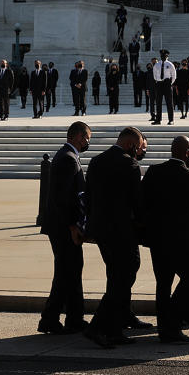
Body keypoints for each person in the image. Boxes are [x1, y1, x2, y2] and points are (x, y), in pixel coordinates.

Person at [84, 127, 147, 349]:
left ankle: (114, 328)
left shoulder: (97, 160)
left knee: (115, 275)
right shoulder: (129, 164)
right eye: (139, 147)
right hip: (121, 229)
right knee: (125, 275)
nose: (140, 151)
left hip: (100, 229)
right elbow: (136, 201)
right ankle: (98, 326)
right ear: (131, 144)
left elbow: (88, 195)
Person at [142, 135, 189, 343]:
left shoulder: (154, 171)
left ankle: (164, 327)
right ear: (188, 153)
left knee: (163, 283)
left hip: (157, 236)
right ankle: (172, 322)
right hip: (180, 235)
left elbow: (143, 201)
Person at [39, 121, 91, 336]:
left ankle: (73, 318)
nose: (88, 141)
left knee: (70, 270)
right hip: (63, 227)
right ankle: (52, 319)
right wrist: (72, 226)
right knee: (66, 272)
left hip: (61, 225)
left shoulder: (67, 156)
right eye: (87, 137)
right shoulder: (68, 159)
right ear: (77, 137)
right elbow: (63, 199)